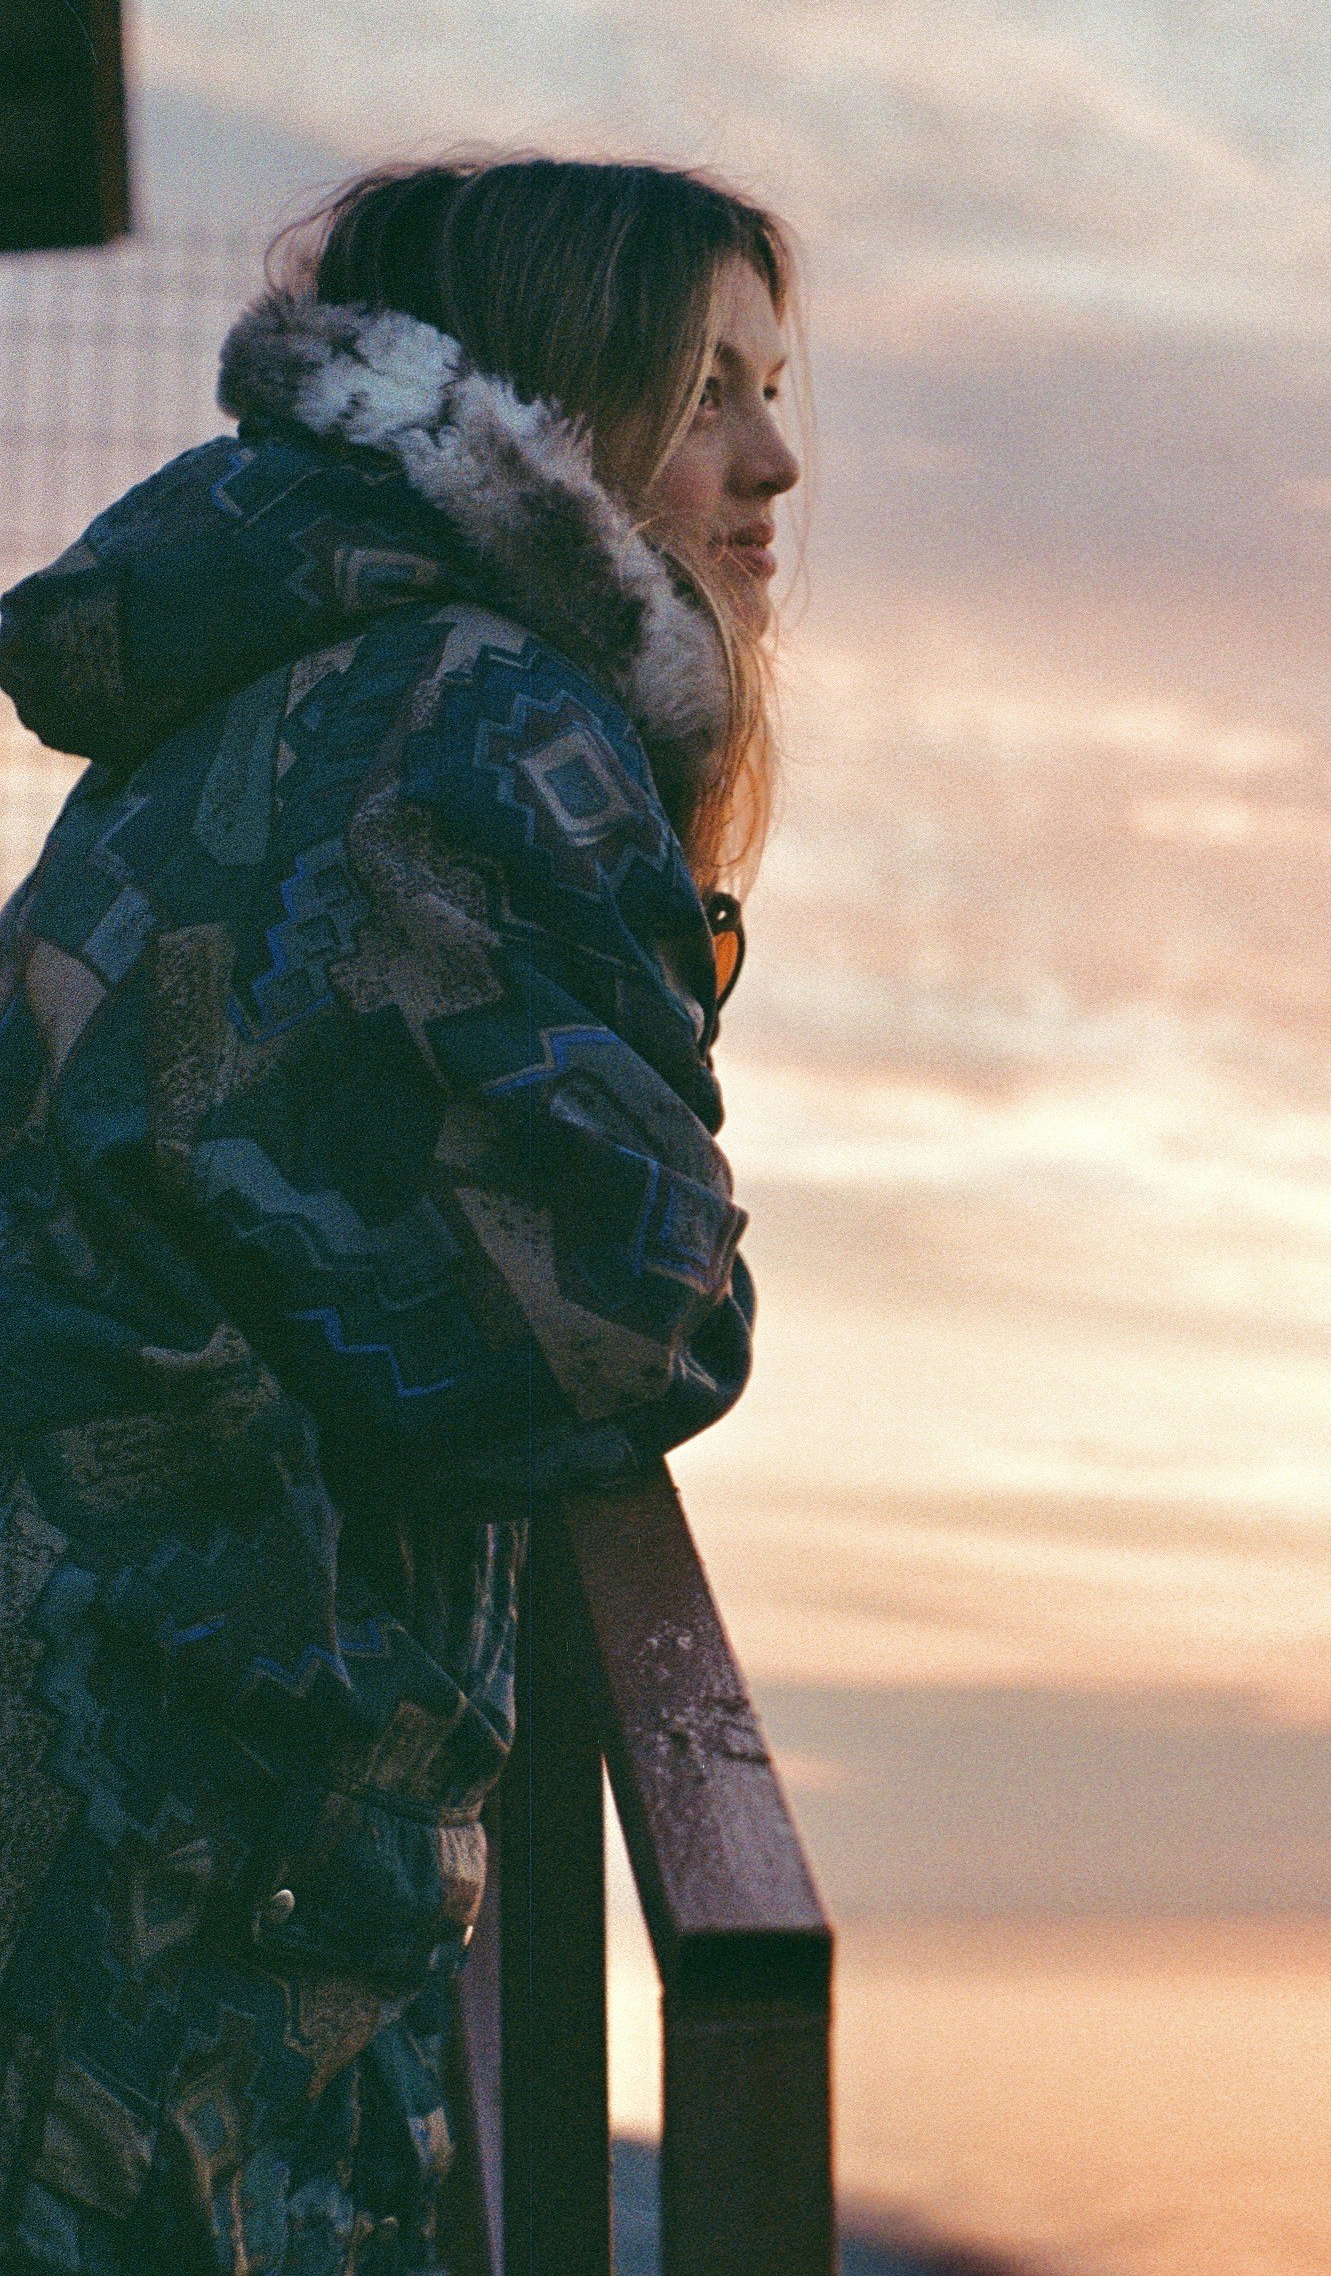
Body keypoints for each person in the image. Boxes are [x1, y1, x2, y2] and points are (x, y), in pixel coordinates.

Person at [0, 158, 800, 2273]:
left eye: (770, 390)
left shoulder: (288, 668)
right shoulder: (478, 709)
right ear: (554, 412)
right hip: (179, 1821)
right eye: (710, 387)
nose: (771, 458)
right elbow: (626, 1326)